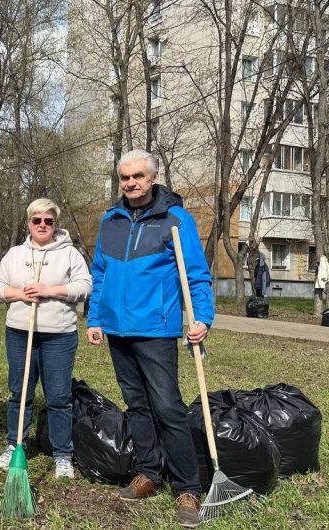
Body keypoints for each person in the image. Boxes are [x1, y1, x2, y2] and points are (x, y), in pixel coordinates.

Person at [86, 149, 213, 528]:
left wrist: (202, 317)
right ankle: (149, 474)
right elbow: (101, 273)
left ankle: (187, 486)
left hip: (156, 329)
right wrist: (95, 316)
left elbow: (197, 275)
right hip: (117, 329)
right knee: (136, 405)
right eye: (125, 178)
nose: (131, 183)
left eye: (138, 176)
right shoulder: (110, 220)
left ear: (153, 177)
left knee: (168, 407)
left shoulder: (175, 219)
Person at [0, 198, 91, 478]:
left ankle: (62, 455)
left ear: (55, 224)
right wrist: (20, 294)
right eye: (37, 220)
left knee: (58, 396)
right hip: (20, 333)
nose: (43, 225)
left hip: (58, 335)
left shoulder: (70, 254)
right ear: (29, 223)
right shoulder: (13, 254)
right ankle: (15, 444)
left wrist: (50, 289)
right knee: (19, 392)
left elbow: (84, 286)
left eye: (48, 220)